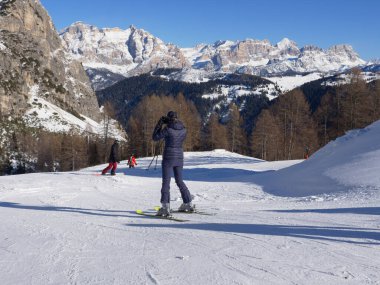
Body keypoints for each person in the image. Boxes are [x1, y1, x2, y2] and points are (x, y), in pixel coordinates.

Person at [152, 111, 194, 216]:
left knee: (166, 182)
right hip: (179, 157)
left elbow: (155, 137)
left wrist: (160, 124)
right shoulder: (184, 129)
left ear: (169, 119)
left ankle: (165, 207)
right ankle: (188, 203)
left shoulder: (168, 129)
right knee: (179, 181)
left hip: (168, 158)